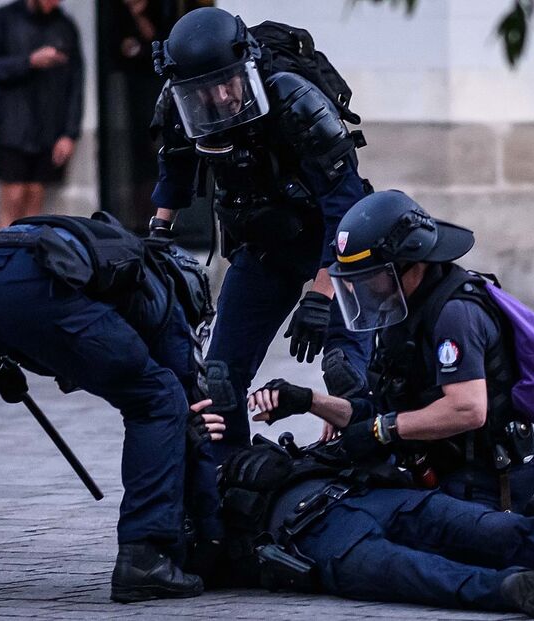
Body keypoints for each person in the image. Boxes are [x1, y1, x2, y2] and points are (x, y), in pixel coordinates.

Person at [0, 212, 223, 603]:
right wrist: (212, 537)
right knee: (159, 398)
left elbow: (1, 304)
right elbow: (185, 413)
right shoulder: (167, 299)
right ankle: (145, 556)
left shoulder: (112, 251)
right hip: (37, 283)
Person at [147, 7, 373, 459]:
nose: (221, 98)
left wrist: (321, 295)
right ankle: (229, 478)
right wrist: (157, 236)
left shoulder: (294, 101)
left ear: (245, 67)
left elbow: (346, 210)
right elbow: (174, 168)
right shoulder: (180, 101)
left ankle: (368, 459)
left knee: (344, 369)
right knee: (219, 377)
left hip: (335, 243)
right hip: (266, 244)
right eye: (204, 92)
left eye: (227, 83)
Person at [247, 190, 534, 515]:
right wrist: (307, 401)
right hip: (436, 465)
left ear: (408, 263)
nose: (360, 288)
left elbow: (467, 410)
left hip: (483, 479)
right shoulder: (401, 309)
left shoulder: (455, 313)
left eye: (369, 276)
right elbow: (385, 412)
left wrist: (381, 431)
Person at [209, 437, 534, 617]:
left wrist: (319, 405)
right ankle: (515, 591)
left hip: (368, 496)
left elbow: (361, 435)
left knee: (494, 530)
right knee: (416, 572)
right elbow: (201, 558)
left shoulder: (271, 447)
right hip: (311, 537)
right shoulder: (193, 496)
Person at [0, 0, 84, 228]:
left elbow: (76, 82)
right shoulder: (5, 19)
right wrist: (29, 62)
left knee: (35, 196)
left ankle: (26, 256)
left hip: (49, 127)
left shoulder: (64, 25)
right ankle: (3, 255)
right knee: (13, 195)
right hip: (12, 125)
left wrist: (70, 133)